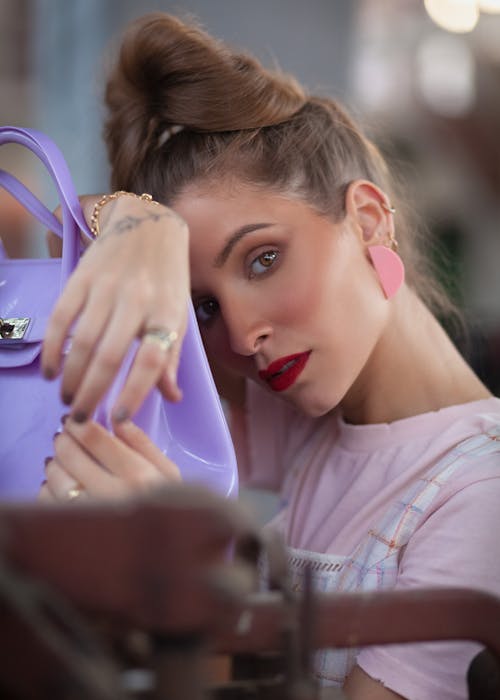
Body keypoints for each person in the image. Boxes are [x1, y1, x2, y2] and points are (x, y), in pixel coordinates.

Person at [38, 12, 500, 700]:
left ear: (369, 218)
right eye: (205, 305)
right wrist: (139, 220)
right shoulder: (299, 408)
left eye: (262, 259)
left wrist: (189, 586)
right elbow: (63, 250)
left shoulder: (478, 494)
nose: (241, 335)